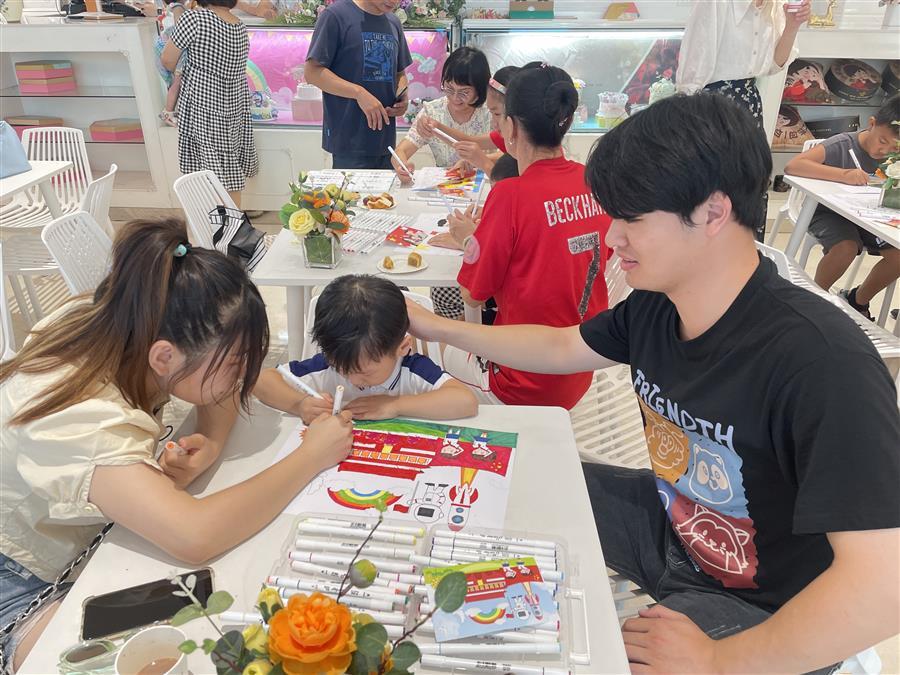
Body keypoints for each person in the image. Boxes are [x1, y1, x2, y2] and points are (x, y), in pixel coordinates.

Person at [403, 93, 900, 674]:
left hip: (762, 606)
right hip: (673, 527)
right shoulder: (658, 306)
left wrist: (716, 661)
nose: (611, 238)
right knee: (503, 471)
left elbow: (884, 585)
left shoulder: (822, 361)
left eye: (632, 219)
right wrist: (435, 326)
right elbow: (562, 346)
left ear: (713, 213)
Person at [0, 219, 353, 669]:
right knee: (105, 658)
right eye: (235, 361)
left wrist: (213, 441)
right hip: (21, 580)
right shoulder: (76, 414)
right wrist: (311, 456)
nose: (244, 374)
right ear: (164, 357)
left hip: (89, 539)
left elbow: (223, 386)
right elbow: (195, 535)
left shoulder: (127, 317)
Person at [440, 64, 612, 410]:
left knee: (435, 345)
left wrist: (469, 240)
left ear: (511, 126)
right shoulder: (593, 181)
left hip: (522, 382)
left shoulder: (511, 195)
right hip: (581, 366)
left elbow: (472, 294)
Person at [254, 275, 478, 421]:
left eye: (365, 372)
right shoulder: (329, 365)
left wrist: (395, 405)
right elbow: (261, 381)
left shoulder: (411, 369)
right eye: (343, 369)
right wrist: (300, 404)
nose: (353, 380)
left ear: (402, 347)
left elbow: (465, 401)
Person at [676, 0, 811, 241]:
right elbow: (692, 69)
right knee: (709, 189)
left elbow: (774, 65)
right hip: (710, 108)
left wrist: (792, 26)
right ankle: (702, 256)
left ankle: (744, 256)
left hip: (748, 104)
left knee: (750, 186)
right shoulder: (716, 4)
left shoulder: (773, 6)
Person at [785, 94, 900, 319]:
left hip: (871, 216)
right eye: (882, 141)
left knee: (898, 255)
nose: (884, 151)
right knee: (845, 248)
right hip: (828, 212)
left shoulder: (894, 159)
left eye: (894, 147)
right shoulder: (843, 144)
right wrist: (843, 175)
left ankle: (857, 300)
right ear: (872, 124)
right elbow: (793, 166)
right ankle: (814, 301)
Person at [161, 0, 259, 207]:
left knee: (206, 174)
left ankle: (213, 224)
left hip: (203, 104)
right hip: (233, 106)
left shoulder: (194, 18)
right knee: (228, 172)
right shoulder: (239, 26)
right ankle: (231, 224)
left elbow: (167, 60)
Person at [304, 0, 411, 170]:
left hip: (387, 143)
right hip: (349, 142)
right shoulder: (335, 16)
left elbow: (399, 72)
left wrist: (402, 95)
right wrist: (358, 93)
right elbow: (312, 73)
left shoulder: (393, 22)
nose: (395, 1)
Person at [390, 46, 492, 182]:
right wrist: (402, 166)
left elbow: (508, 156)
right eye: (449, 88)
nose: (455, 98)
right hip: (445, 186)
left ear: (480, 89)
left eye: (464, 92)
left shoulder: (491, 112)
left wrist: (479, 160)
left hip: (485, 185)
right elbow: (399, 152)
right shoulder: (432, 111)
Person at [418, 64, 526, 176]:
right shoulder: (512, 136)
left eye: (497, 114)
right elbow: (469, 140)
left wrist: (483, 162)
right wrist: (436, 127)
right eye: (449, 89)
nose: (494, 123)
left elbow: (504, 186)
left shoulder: (529, 150)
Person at [154, 0, 190, 126]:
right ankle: (168, 112)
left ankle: (171, 111)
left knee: (175, 82)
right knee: (177, 81)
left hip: (169, 45)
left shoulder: (176, 7)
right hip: (173, 47)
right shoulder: (178, 7)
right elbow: (181, 31)